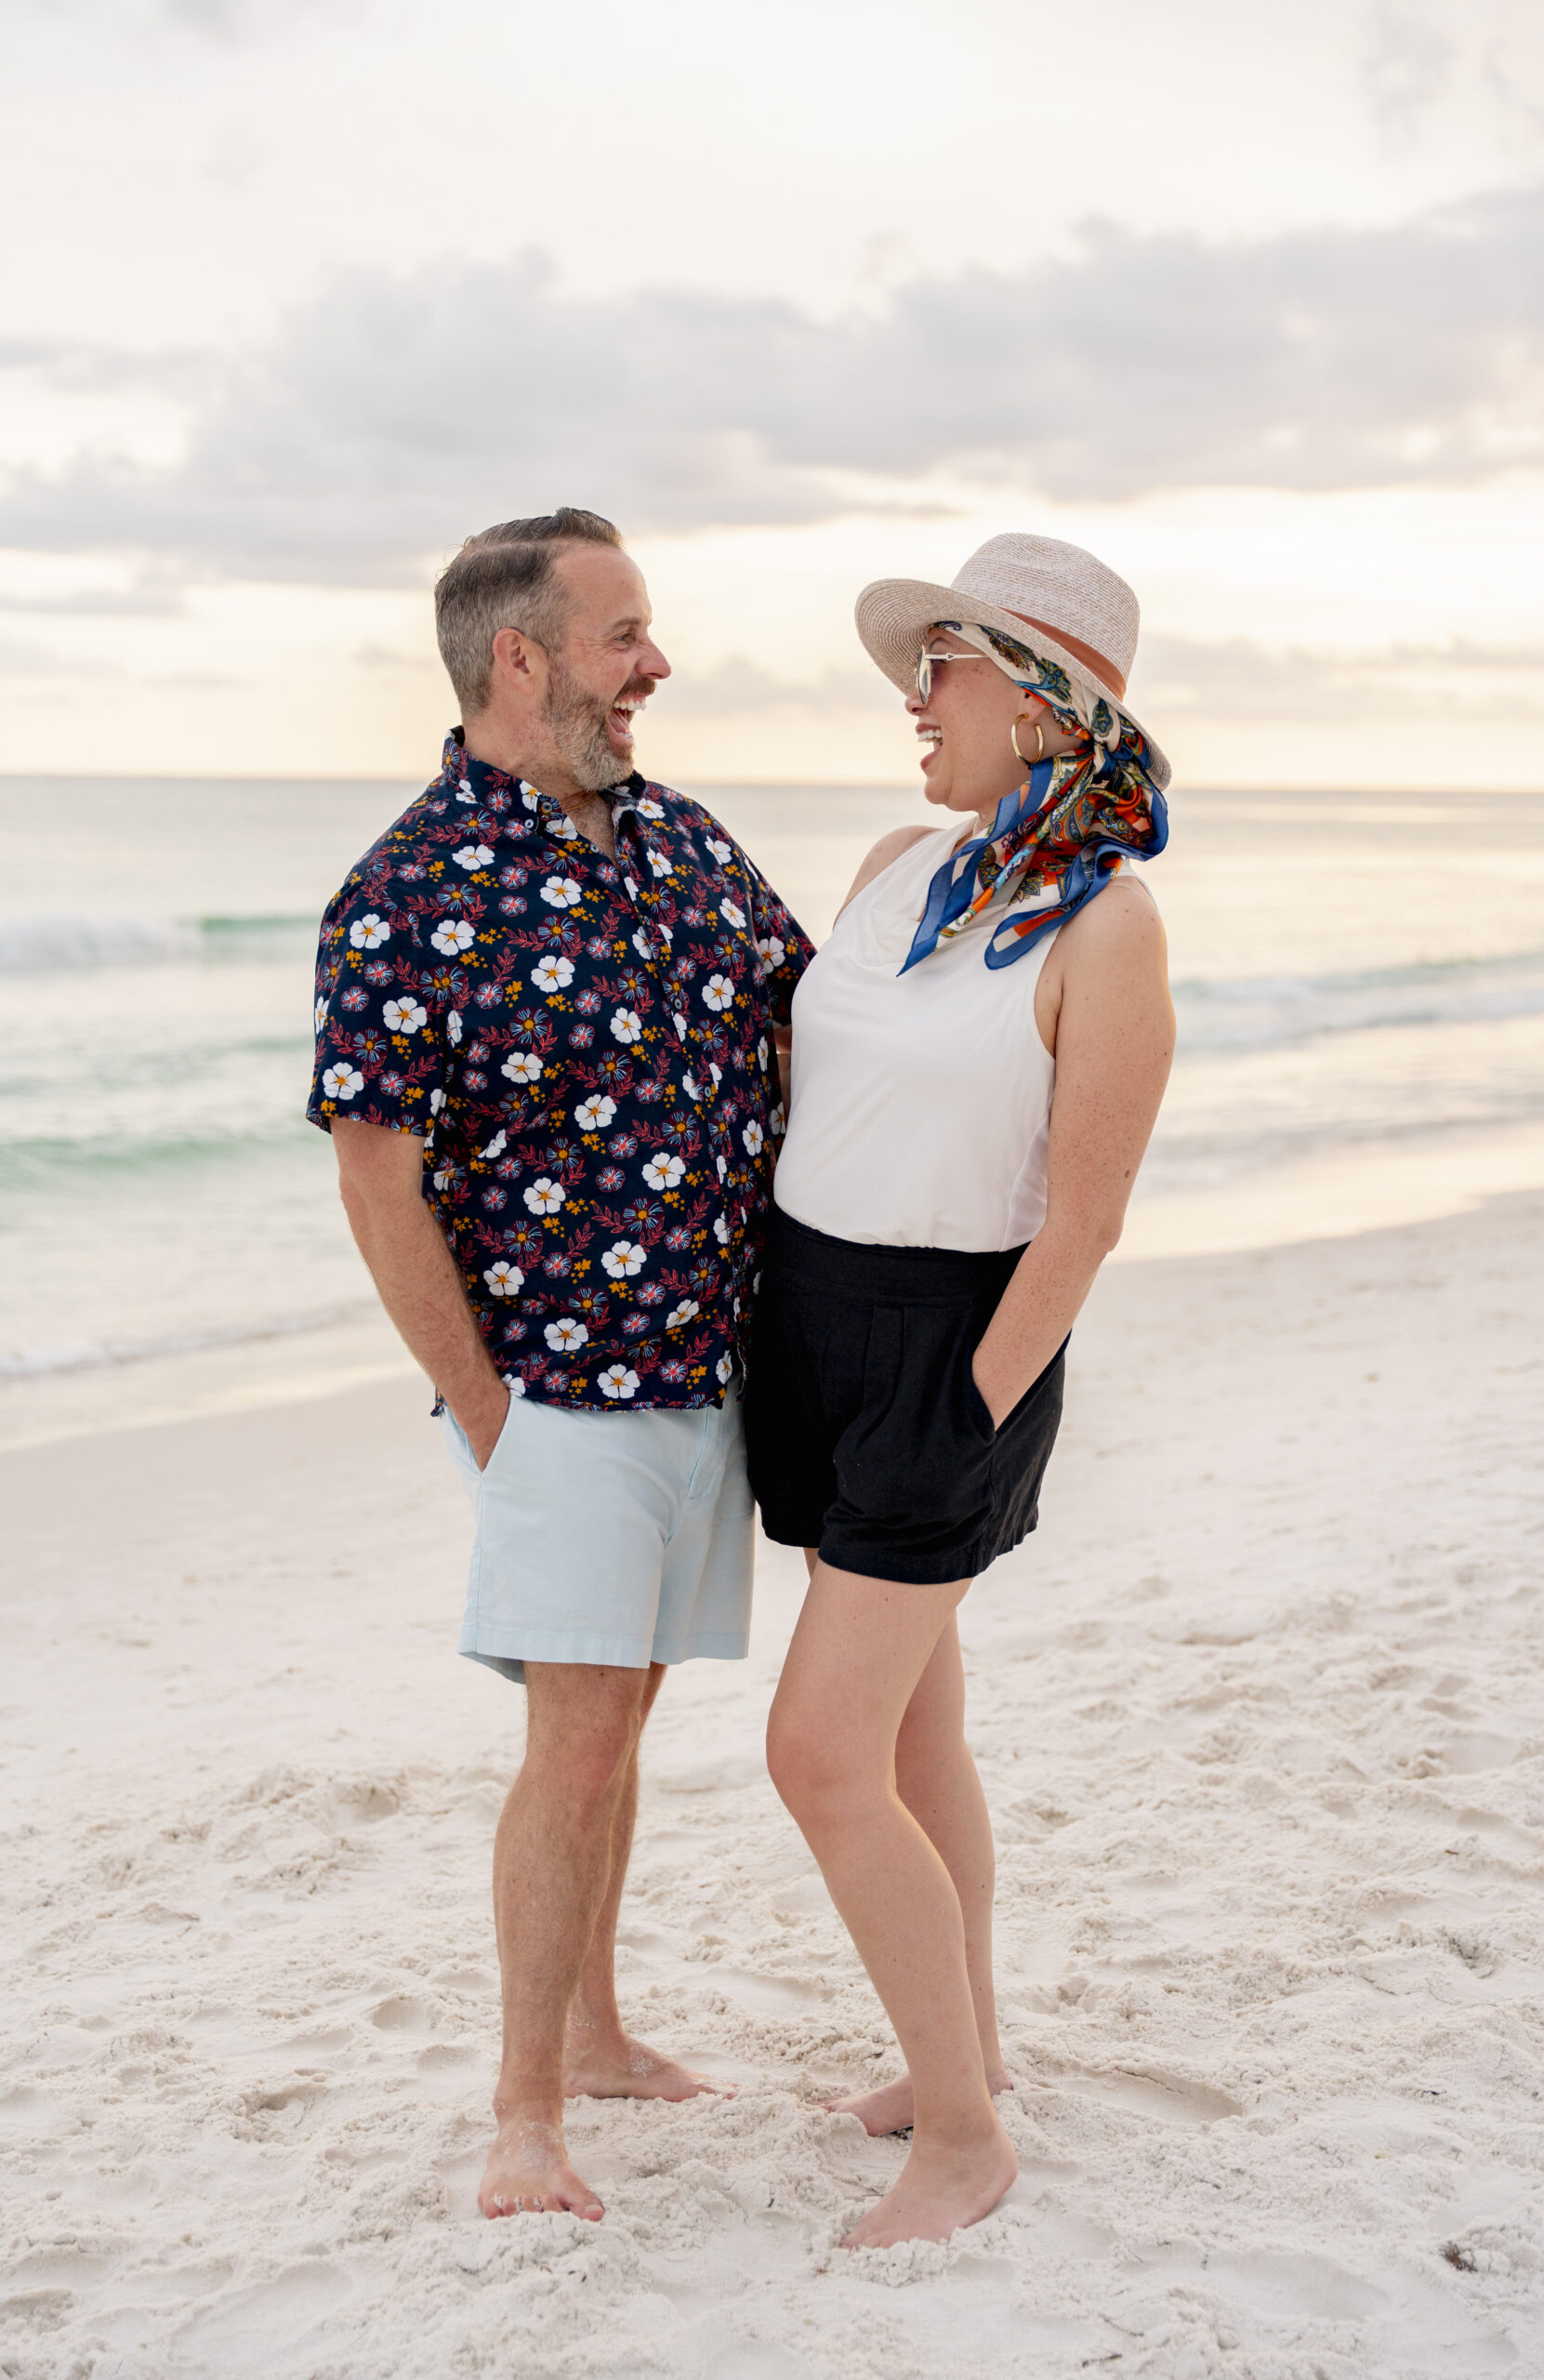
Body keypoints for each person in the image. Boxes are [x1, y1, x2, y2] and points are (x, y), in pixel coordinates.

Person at [307, 509, 812, 2225]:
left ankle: (596, 2031)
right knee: (578, 1740)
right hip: (559, 1389)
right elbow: (374, 1173)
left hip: (707, 1365)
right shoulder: (406, 892)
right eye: (624, 637)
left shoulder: (677, 836)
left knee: (622, 1718)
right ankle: (525, 2119)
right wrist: (489, 1415)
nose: (654, 667)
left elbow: (806, 1021)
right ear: (519, 657)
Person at [745, 533, 1177, 2249]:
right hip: (812, 1329)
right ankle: (958, 2058)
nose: (916, 697)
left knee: (816, 1752)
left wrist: (966, 1405)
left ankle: (970, 2137)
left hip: (954, 1356)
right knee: (920, 1738)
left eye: (947, 665)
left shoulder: (1112, 927)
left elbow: (1086, 1217)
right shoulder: (890, 866)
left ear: (1047, 700)